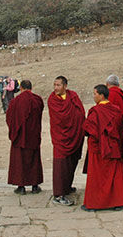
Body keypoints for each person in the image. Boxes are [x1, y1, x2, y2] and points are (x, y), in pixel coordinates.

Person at [82, 84, 123, 212]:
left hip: (98, 149)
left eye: (95, 94)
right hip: (113, 147)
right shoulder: (116, 110)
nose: (93, 96)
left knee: (97, 176)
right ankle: (117, 202)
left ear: (101, 96)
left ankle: (95, 203)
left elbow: (88, 129)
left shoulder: (95, 111)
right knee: (114, 175)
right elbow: (120, 128)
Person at [47, 76, 85, 206]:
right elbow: (60, 118)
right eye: (54, 85)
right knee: (60, 165)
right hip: (60, 138)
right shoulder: (52, 100)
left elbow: (80, 113)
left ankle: (67, 186)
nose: (55, 88)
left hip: (74, 135)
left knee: (71, 162)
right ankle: (58, 194)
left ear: (65, 86)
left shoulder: (73, 96)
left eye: (58, 85)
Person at [5, 79, 44, 195]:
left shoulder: (15, 102)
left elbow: (9, 118)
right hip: (33, 135)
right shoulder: (37, 100)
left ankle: (21, 187)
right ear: (31, 88)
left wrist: (14, 130)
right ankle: (35, 186)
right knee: (34, 160)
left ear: (21, 88)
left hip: (20, 136)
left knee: (20, 161)